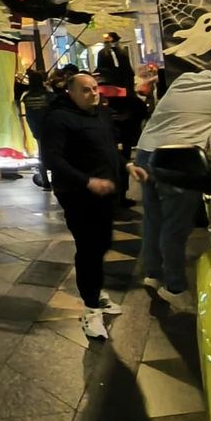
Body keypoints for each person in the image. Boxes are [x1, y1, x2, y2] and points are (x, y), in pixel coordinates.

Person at [129, 57, 211, 311]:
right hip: (176, 159)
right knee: (175, 226)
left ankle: (153, 273)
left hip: (146, 154)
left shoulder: (183, 81)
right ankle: (174, 287)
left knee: (154, 219)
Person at [39, 73, 125, 341]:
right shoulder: (59, 118)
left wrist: (127, 166)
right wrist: (87, 181)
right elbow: (52, 159)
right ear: (71, 93)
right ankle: (90, 310)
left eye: (95, 88)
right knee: (89, 247)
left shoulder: (100, 114)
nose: (93, 94)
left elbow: (108, 148)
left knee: (102, 244)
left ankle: (96, 292)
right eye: (86, 90)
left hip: (103, 191)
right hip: (77, 194)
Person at [20, 64, 54, 187]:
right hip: (49, 126)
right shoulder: (47, 95)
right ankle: (55, 178)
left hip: (36, 127)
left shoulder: (27, 97)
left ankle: (45, 180)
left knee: (41, 153)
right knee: (53, 152)